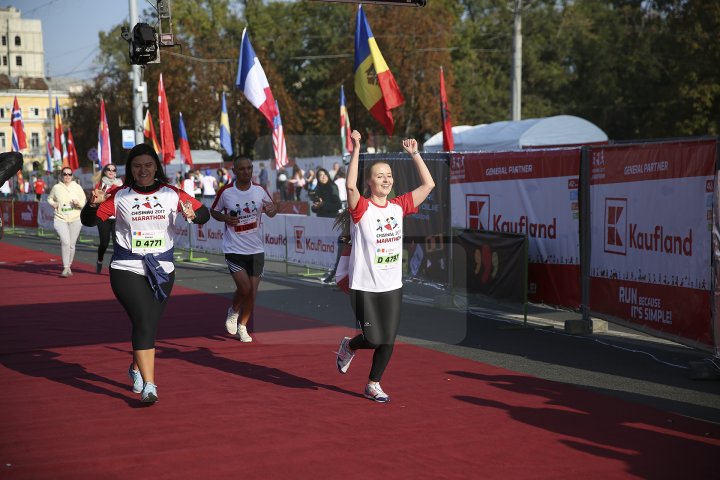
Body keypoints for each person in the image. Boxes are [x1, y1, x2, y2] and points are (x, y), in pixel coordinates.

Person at [80, 143, 210, 404]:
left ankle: (136, 367)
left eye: (148, 165)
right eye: (137, 165)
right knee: (143, 320)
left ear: (156, 167)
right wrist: (93, 205)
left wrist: (192, 215)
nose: (143, 170)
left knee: (149, 325)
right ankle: (150, 386)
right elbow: (88, 220)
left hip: (162, 269)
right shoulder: (119, 195)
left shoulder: (172, 193)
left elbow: (203, 213)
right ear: (130, 169)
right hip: (127, 268)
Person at [335, 130, 435, 402]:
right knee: (375, 338)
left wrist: (415, 154)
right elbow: (350, 187)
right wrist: (356, 149)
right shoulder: (362, 209)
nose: (386, 179)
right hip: (364, 286)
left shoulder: (398, 206)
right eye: (380, 175)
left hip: (392, 286)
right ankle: (350, 346)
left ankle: (373, 384)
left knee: (388, 340)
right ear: (370, 182)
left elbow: (428, 186)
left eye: (389, 175)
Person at [210, 157, 277, 343]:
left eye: (249, 168)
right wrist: (225, 218)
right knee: (244, 288)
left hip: (256, 249)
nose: (246, 172)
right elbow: (213, 211)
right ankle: (233, 311)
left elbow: (271, 211)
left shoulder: (259, 190)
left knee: (253, 292)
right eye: (242, 169)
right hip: (234, 248)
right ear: (235, 171)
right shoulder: (226, 192)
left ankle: (243, 326)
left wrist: (273, 208)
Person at [47, 167, 87, 277]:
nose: (67, 176)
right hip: (60, 218)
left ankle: (69, 265)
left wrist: (78, 203)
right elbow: (49, 198)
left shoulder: (77, 187)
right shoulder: (56, 187)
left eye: (69, 174)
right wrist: (53, 204)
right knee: (65, 242)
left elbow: (84, 202)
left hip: (75, 218)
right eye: (65, 174)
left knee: (72, 244)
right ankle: (65, 268)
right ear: (61, 175)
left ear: (72, 176)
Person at [94, 164, 124, 274]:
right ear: (105, 172)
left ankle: (114, 266)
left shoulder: (120, 184)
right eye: (109, 170)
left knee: (117, 244)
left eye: (113, 170)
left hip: (117, 217)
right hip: (103, 217)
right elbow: (95, 200)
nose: (111, 172)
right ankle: (100, 260)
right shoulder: (100, 184)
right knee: (104, 244)